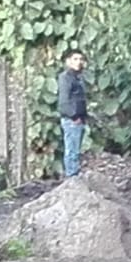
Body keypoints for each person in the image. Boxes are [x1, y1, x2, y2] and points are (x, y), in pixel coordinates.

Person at [57, 48, 88, 176]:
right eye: (75, 59)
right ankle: (72, 178)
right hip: (72, 120)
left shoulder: (77, 78)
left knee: (75, 150)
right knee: (71, 150)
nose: (78, 62)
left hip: (78, 119)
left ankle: (74, 177)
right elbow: (64, 101)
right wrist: (74, 116)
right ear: (68, 61)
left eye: (81, 59)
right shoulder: (65, 78)